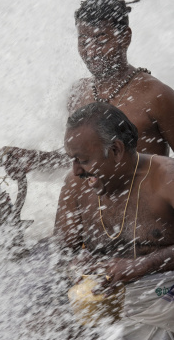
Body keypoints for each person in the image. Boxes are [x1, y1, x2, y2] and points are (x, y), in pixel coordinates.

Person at [0, 0, 174, 179]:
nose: (91, 51)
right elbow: (83, 157)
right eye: (83, 41)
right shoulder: (78, 93)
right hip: (95, 208)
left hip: (142, 207)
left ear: (125, 37)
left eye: (101, 39)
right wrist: (36, 160)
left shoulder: (156, 97)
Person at [54, 102, 174, 339]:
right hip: (103, 301)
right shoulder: (75, 185)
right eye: (72, 160)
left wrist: (143, 265)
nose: (76, 170)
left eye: (83, 160)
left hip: (165, 294)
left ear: (117, 150)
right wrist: (78, 263)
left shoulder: (166, 178)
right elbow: (62, 250)